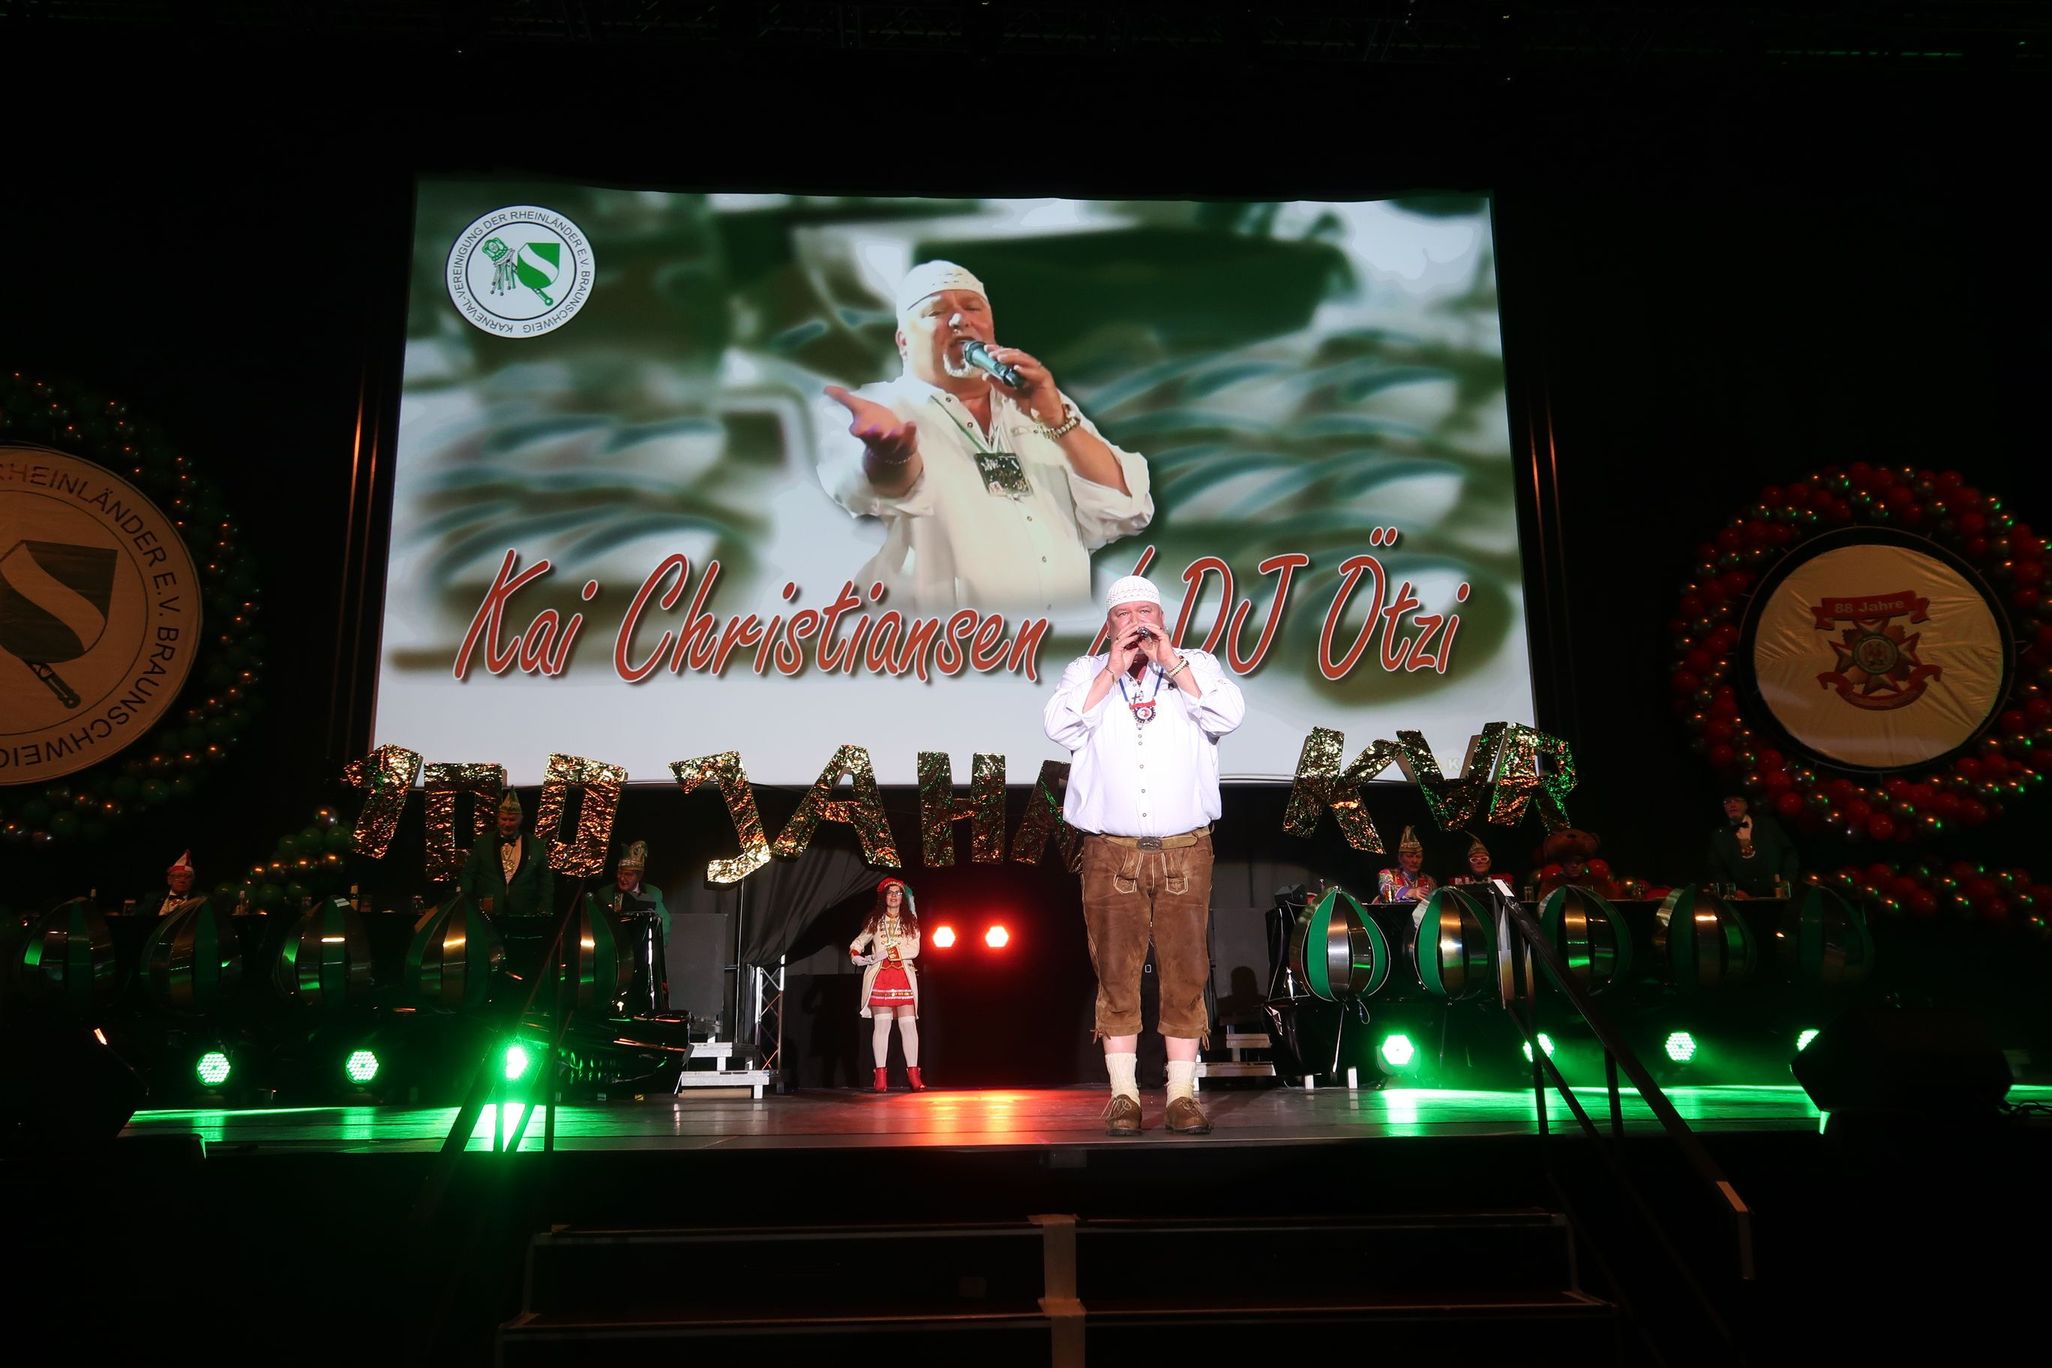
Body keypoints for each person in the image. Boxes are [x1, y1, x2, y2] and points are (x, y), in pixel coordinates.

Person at [817, 260, 1154, 615]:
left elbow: (1125, 509)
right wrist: (890, 453)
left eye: (972, 307)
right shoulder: (878, 406)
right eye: (937, 312)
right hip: (949, 641)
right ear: (903, 342)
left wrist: (1058, 421)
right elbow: (867, 490)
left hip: (1058, 635)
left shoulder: (1042, 403)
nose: (960, 320)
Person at [1045, 575, 1246, 1136]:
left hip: (1186, 851)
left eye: (1146, 613)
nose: (1136, 622)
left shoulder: (1195, 666)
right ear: (1109, 624)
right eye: (1124, 614)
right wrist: (1111, 670)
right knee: (1116, 971)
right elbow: (1058, 726)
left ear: (1163, 620)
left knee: (1186, 970)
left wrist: (1172, 663)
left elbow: (1227, 716)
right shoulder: (1086, 672)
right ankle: (1124, 1095)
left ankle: (1181, 1095)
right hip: (1111, 853)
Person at [848, 877, 924, 1093]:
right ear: (884, 897)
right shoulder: (875, 921)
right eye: (890, 893)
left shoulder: (910, 921)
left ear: (903, 897)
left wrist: (888, 952)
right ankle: (880, 1076)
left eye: (898, 893)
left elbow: (914, 949)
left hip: (903, 976)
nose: (894, 896)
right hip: (880, 977)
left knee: (908, 1026)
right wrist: (856, 956)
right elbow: (858, 942)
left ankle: (914, 1075)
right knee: (882, 1027)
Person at [595, 840, 669, 1015]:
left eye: (628, 874)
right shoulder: (604, 894)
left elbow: (663, 925)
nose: (622, 878)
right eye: (620, 873)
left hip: (641, 957)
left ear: (638, 876)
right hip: (613, 958)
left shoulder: (653, 893)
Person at [458, 789, 554, 920]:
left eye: (512, 820)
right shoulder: (483, 843)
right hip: (488, 912)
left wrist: (545, 909)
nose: (507, 824)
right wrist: (467, 904)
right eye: (504, 819)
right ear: (498, 819)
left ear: (520, 820)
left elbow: (545, 879)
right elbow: (468, 874)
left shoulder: (535, 845)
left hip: (524, 912)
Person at [1706, 794, 1798, 898]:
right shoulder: (1719, 836)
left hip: (1775, 895)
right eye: (1727, 802)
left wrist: (1787, 881)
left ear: (1746, 805)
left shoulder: (1767, 825)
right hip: (1741, 900)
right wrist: (1733, 891)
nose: (1732, 804)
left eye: (1737, 800)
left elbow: (1789, 853)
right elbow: (1716, 869)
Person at [1376, 826, 1438, 904]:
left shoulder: (1429, 881)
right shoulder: (1387, 874)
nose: (1415, 861)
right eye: (1409, 856)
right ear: (1400, 858)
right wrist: (1411, 892)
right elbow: (1386, 890)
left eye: (1418, 857)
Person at [149, 850, 203, 917]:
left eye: (187, 877)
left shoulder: (200, 900)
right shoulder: (152, 898)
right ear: (169, 880)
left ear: (192, 881)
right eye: (178, 876)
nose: (182, 880)